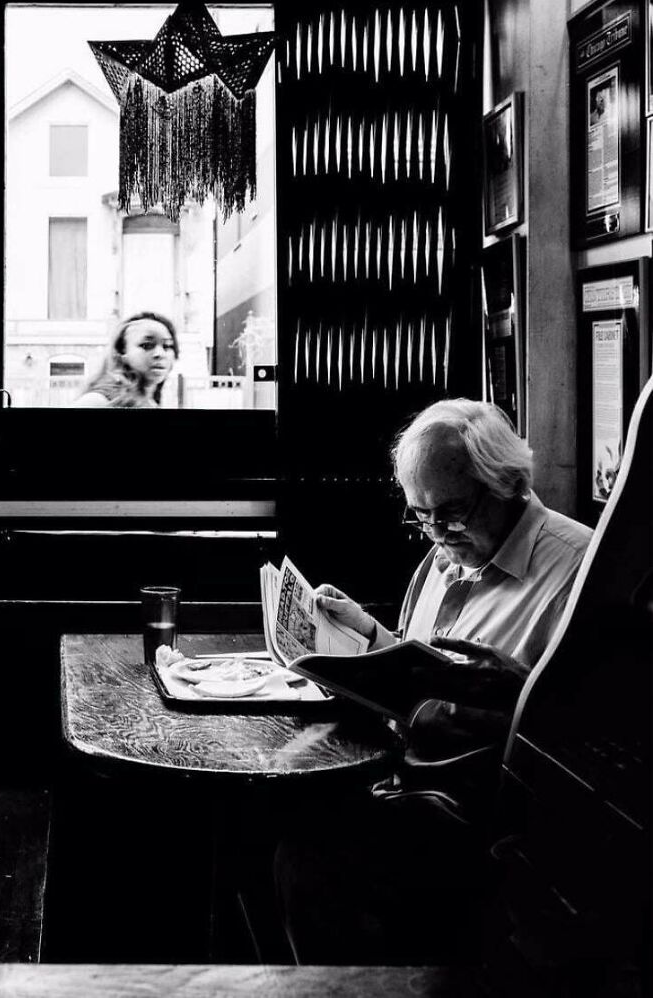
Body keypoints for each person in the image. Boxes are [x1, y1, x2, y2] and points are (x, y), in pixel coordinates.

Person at [274, 398, 593, 965]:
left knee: (311, 854)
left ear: (509, 485)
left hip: (484, 817)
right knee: (281, 822)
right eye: (420, 514)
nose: (436, 533)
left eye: (451, 512)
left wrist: (523, 696)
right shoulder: (447, 552)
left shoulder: (576, 574)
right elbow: (423, 665)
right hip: (405, 776)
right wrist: (371, 637)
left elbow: (597, 744)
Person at [73, 311, 179, 408]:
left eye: (167, 346)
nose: (160, 354)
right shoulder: (99, 401)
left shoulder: (152, 402)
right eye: (147, 345)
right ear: (122, 352)